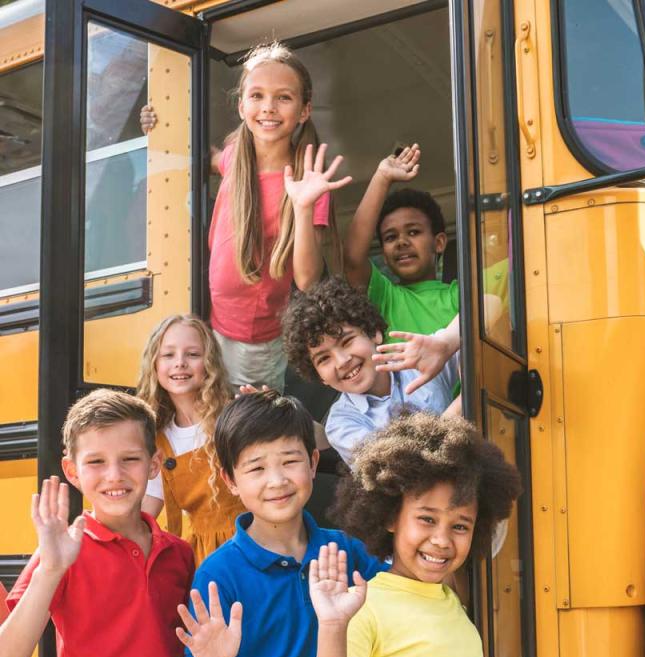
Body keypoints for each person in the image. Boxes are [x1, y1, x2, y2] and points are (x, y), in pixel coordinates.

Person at [175, 391, 387, 657]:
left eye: (290, 461)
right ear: (230, 480)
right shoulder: (219, 573)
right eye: (256, 467)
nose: (277, 480)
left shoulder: (346, 553)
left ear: (312, 463)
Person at [309, 412, 522, 657]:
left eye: (460, 526)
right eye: (426, 519)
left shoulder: (452, 597)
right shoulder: (363, 606)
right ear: (390, 516)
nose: (442, 540)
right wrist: (332, 627)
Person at [0, 389, 196, 657]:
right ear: (72, 471)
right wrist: (51, 569)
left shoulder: (178, 553)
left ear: (154, 463)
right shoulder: (60, 551)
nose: (114, 475)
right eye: (96, 462)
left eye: (130, 459)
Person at [141, 41, 351, 392]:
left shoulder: (305, 179)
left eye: (283, 97)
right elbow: (199, 156)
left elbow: (307, 279)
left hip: (255, 338)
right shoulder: (235, 157)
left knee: (244, 424)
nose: (268, 107)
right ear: (241, 106)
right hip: (209, 321)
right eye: (257, 96)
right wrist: (159, 127)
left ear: (304, 110)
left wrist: (302, 205)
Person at [282, 278, 462, 466]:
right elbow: (404, 468)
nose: (342, 361)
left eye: (347, 341)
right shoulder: (340, 424)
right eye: (324, 359)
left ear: (374, 333)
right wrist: (464, 401)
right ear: (319, 376)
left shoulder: (415, 359)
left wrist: (447, 344)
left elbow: (491, 304)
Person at [138, 314, 244, 564]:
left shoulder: (233, 417)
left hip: (251, 544)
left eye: (193, 354)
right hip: (202, 560)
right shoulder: (159, 441)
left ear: (209, 363)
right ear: (154, 365)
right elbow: (145, 512)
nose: (180, 363)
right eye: (168, 355)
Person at [343, 145, 460, 340]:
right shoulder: (385, 297)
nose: (401, 242)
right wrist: (382, 178)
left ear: (439, 242)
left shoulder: (460, 294)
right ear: (384, 255)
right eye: (390, 237)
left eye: (413, 232)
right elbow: (353, 259)